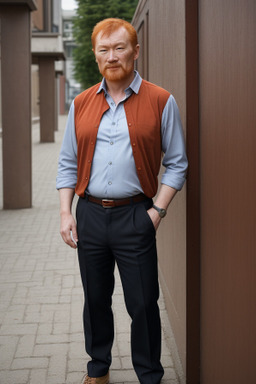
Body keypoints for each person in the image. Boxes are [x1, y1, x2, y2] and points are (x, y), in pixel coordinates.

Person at [56, 18, 188, 384]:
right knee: (95, 300)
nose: (112, 56)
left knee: (143, 303)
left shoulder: (162, 100)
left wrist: (156, 212)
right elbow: (67, 163)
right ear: (96, 56)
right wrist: (66, 212)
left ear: (135, 51)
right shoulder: (81, 103)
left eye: (119, 47)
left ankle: (149, 375)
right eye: (104, 49)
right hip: (90, 216)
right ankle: (98, 369)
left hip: (136, 215)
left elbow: (177, 164)